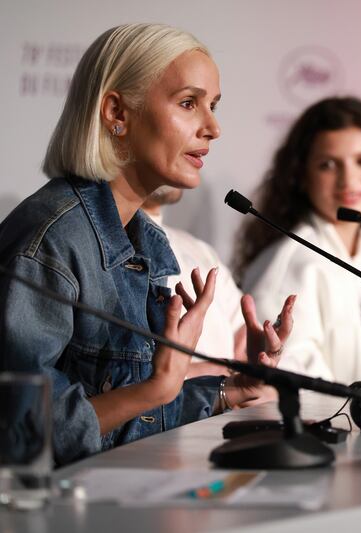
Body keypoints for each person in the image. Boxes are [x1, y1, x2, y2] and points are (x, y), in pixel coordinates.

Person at [0, 23, 293, 466]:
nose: (213, 127)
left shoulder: (142, 239)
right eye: (189, 103)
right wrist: (156, 387)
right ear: (117, 112)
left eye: (213, 106)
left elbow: (131, 417)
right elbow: (20, 433)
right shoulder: (52, 240)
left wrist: (234, 388)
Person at [233, 97, 361, 384]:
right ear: (302, 174)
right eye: (328, 165)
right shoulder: (289, 266)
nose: (349, 180)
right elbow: (293, 388)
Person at [142, 187, 286, 379]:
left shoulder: (199, 251)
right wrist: (223, 380)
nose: (203, 155)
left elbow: (246, 352)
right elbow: (130, 383)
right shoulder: (98, 251)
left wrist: (258, 369)